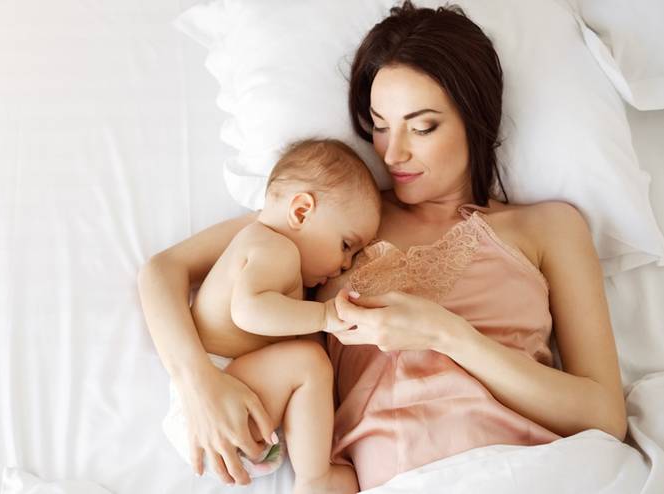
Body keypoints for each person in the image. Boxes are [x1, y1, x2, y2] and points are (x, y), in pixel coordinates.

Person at [138, 1, 626, 489]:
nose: (393, 153)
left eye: (422, 127)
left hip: (536, 471)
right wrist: (197, 383)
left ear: (474, 116)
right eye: (379, 125)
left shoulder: (550, 227)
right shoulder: (334, 219)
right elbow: (163, 271)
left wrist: (448, 335)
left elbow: (605, 418)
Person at [149, 138, 380, 493]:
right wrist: (323, 316)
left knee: (307, 360)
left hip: (237, 395)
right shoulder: (275, 249)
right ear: (301, 211)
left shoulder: (263, 246)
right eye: (346, 245)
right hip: (217, 392)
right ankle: (315, 480)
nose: (346, 264)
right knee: (309, 362)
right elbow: (248, 311)